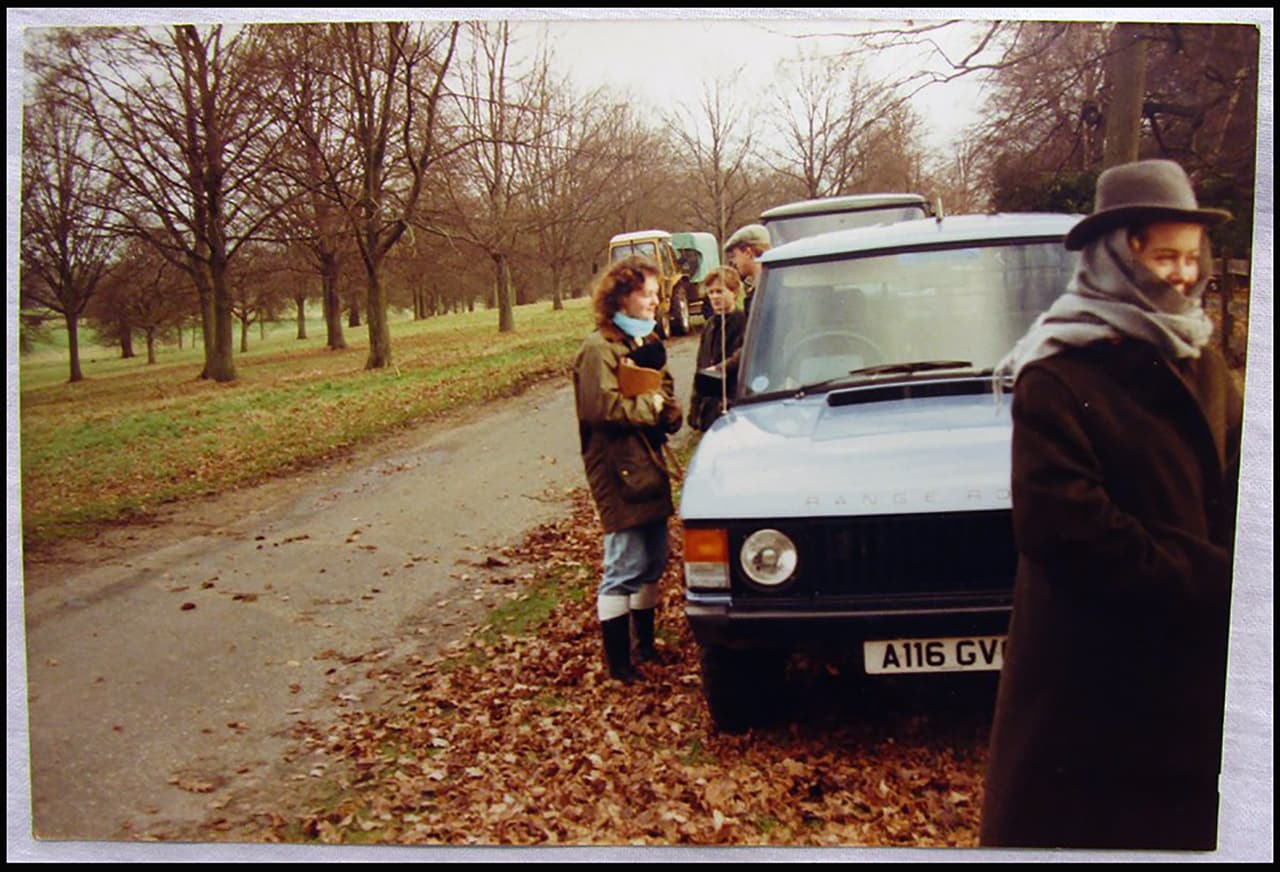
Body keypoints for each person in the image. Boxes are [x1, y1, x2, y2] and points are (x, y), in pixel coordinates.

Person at [980, 159, 1244, 850]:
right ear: (1116, 258)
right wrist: (1213, 579)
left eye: (1191, 259)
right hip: (1090, 690)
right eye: (1165, 257)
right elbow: (1064, 529)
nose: (1183, 276)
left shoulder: (1202, 362)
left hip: (1191, 685)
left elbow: (1242, 484)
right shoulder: (1057, 375)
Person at [573, 255, 684, 684]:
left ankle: (646, 647)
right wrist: (653, 407)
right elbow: (601, 407)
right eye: (647, 294)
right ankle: (619, 665)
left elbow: (664, 388)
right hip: (617, 468)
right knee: (623, 562)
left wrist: (669, 409)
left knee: (653, 559)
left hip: (647, 463)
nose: (656, 302)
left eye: (657, 294)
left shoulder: (643, 339)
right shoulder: (598, 348)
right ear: (621, 297)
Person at [688, 266, 747, 432]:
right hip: (710, 409)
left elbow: (741, 356)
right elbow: (701, 365)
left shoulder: (744, 322)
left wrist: (719, 369)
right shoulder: (709, 325)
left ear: (734, 292)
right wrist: (695, 407)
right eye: (711, 292)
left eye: (719, 291)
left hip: (733, 405)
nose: (714, 297)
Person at [723, 223, 771, 317]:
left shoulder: (766, 290)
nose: (734, 262)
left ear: (748, 253)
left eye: (735, 255)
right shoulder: (764, 284)